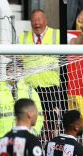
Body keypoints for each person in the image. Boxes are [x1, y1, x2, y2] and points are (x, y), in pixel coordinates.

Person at [18, 9, 63, 140]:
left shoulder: (57, 34)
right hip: (30, 88)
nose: (36, 23)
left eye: (39, 20)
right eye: (33, 20)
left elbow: (74, 44)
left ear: (46, 21)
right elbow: (16, 58)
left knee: (53, 121)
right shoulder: (22, 37)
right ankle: (35, 142)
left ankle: (50, 143)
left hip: (51, 88)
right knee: (32, 119)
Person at [0, 71, 44, 152]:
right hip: (1, 145)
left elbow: (39, 116)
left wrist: (31, 135)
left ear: (22, 72)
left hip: (25, 143)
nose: (15, 74)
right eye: (11, 71)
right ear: (6, 73)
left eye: (18, 70)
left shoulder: (30, 92)